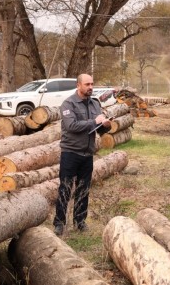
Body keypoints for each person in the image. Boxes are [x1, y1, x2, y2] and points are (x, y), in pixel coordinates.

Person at [54, 73, 112, 235]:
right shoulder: (68, 104)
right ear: (78, 85)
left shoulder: (94, 104)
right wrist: (95, 121)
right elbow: (71, 126)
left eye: (92, 84)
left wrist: (106, 125)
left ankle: (80, 221)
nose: (90, 87)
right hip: (71, 153)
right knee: (65, 188)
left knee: (83, 189)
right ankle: (59, 223)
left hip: (87, 153)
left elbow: (98, 129)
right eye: (87, 84)